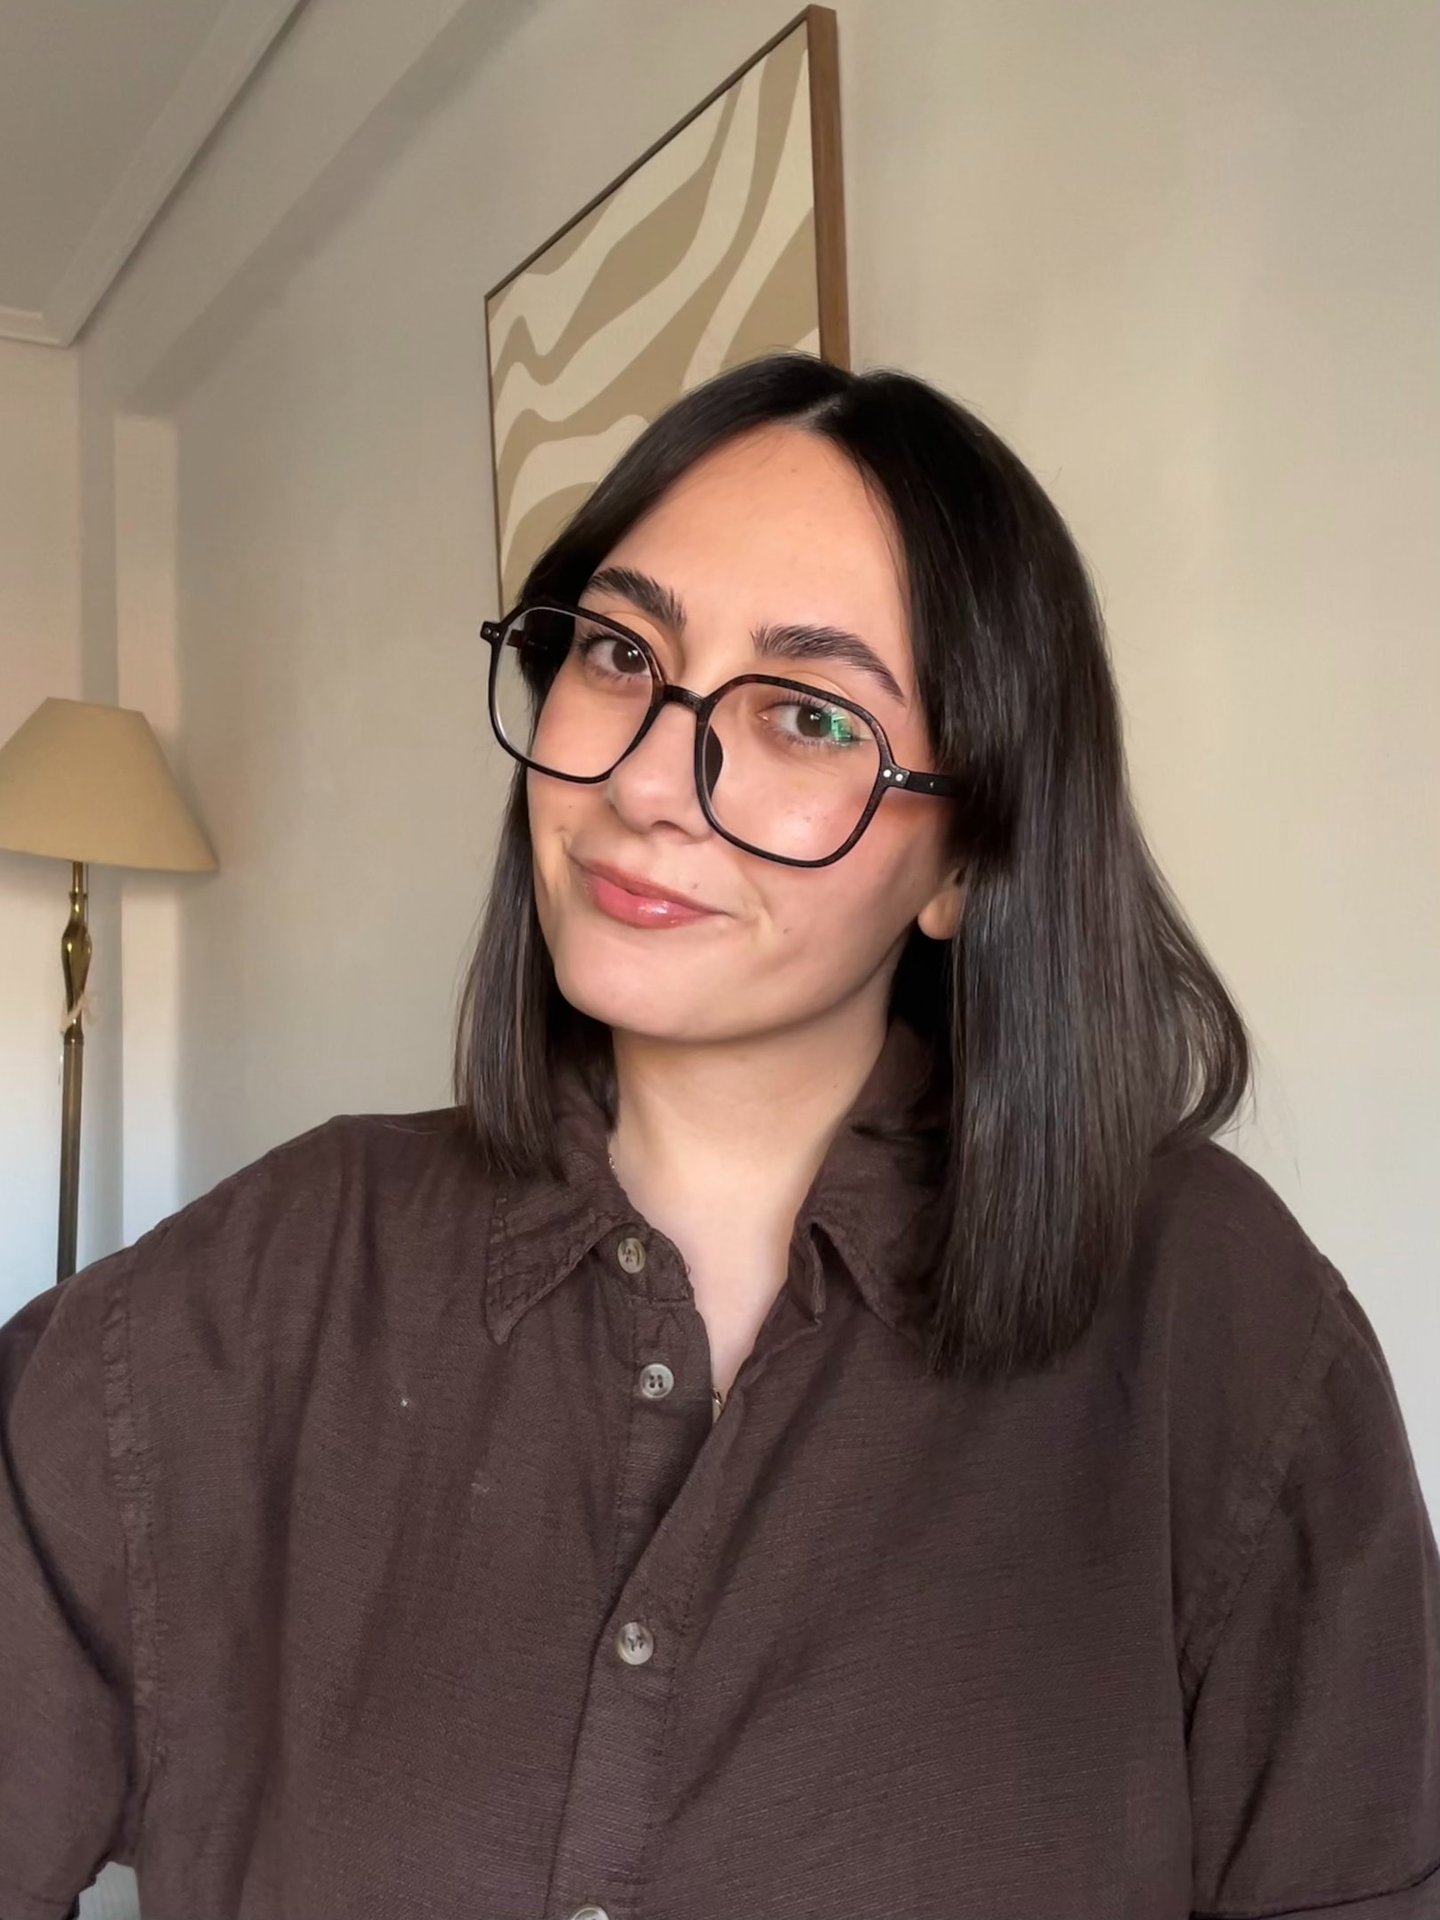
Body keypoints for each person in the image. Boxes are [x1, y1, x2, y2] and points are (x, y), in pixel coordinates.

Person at [1, 351, 1436, 1920]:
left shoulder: (1208, 1317)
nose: (644, 783)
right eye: (620, 652)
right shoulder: (282, 1271)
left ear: (968, 862)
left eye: (809, 714)